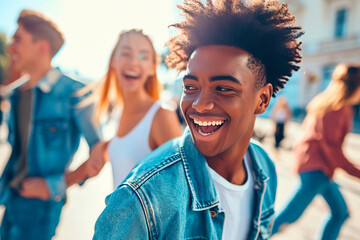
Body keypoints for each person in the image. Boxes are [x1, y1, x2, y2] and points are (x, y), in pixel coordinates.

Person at [93, 0, 303, 239]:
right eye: (191, 87)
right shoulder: (141, 197)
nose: (199, 104)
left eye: (223, 88)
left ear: (263, 99)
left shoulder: (263, 167)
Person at [0, 9, 104, 240]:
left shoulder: (76, 93)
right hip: (10, 199)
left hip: (41, 210)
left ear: (42, 47)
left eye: (18, 40)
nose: (10, 48)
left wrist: (52, 186)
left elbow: (101, 151)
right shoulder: (15, 94)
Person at [272, 64, 360, 240]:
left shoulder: (327, 102)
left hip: (318, 168)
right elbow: (332, 148)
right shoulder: (337, 108)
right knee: (286, 218)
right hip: (316, 170)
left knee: (340, 213)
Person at [86, 29, 182, 189]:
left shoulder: (161, 115)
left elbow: (181, 188)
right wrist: (103, 147)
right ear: (113, 61)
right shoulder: (119, 112)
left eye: (143, 56)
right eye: (125, 53)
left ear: (153, 67)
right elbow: (130, 146)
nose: (134, 62)